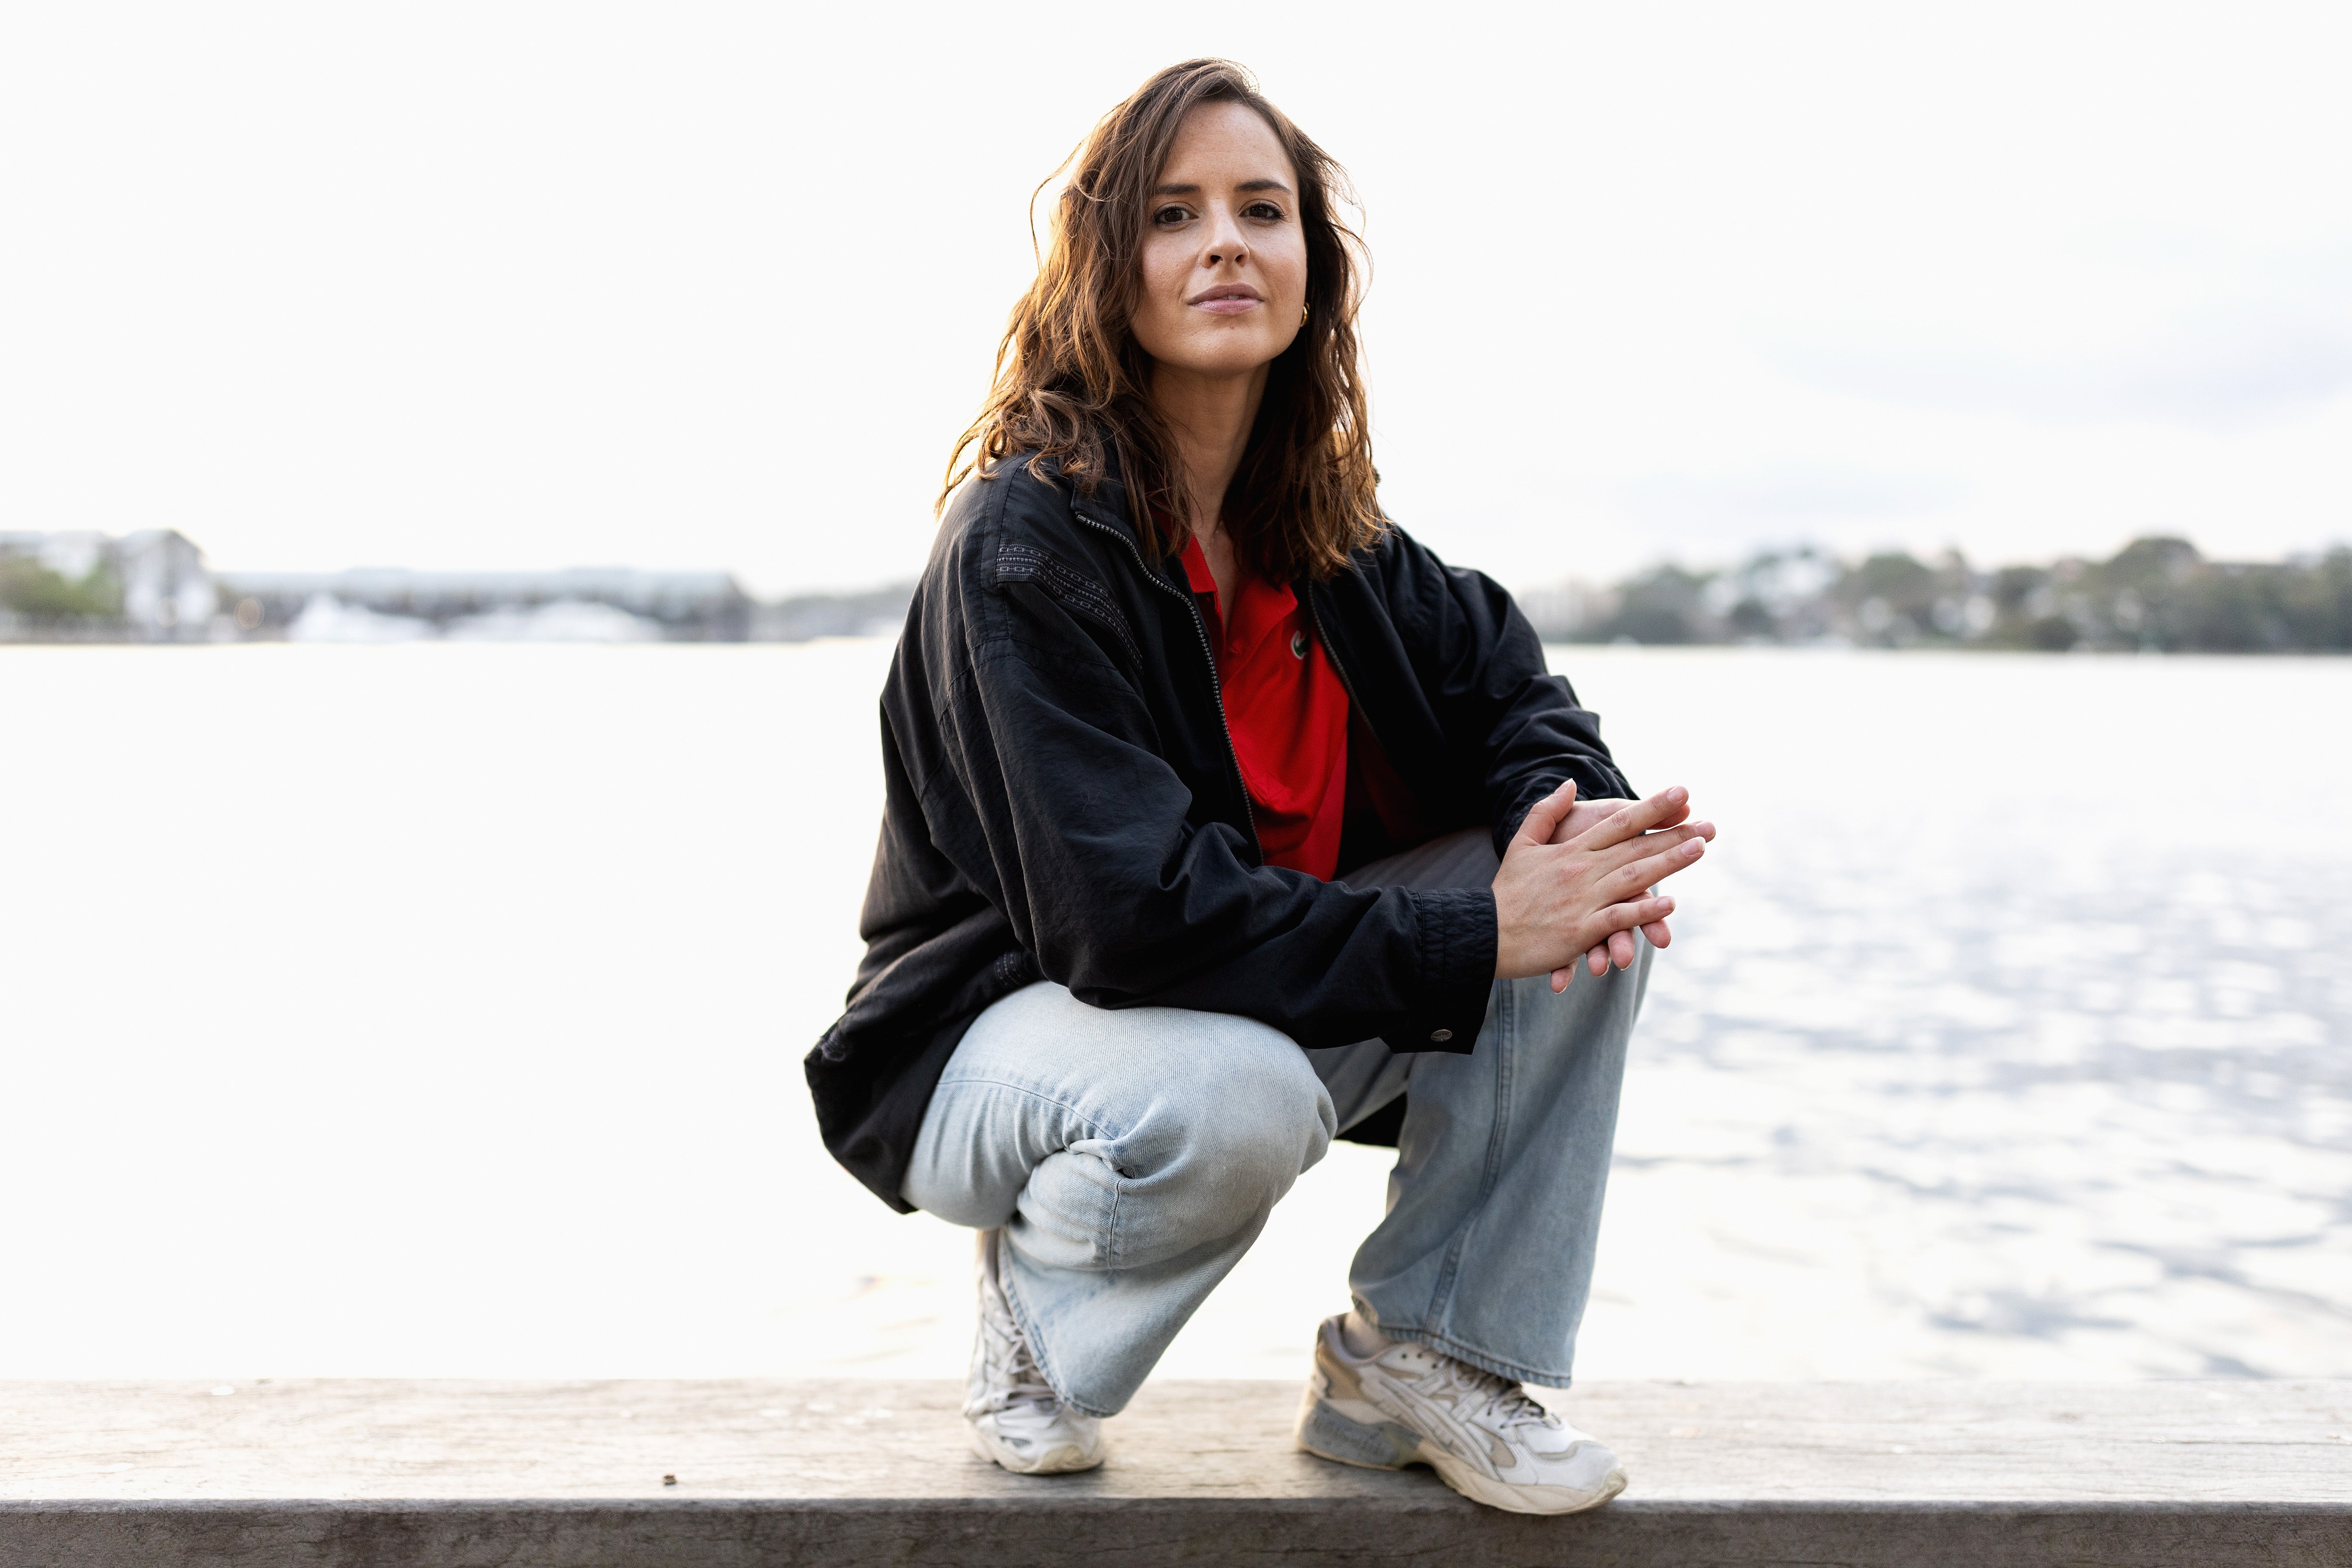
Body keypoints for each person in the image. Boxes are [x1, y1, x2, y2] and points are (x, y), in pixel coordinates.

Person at [806, 59, 1713, 1517]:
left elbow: (1514, 696)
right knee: (1235, 1093)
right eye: (1175, 214)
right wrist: (1476, 934)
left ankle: (1416, 1354)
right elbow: (1124, 921)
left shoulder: (1336, 544)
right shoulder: (1025, 546)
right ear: (1111, 271)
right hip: (989, 1040)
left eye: (1261, 209)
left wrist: (1568, 821)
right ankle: (1036, 1323)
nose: (1226, 240)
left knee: (1580, 890)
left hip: (1246, 1006)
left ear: (1311, 268)